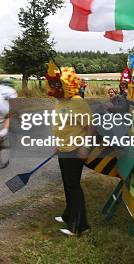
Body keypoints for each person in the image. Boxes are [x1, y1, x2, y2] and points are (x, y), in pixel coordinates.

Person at [52, 67, 92, 236]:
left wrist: (85, 146)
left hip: (74, 150)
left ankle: (80, 226)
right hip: (62, 148)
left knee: (73, 186)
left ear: (68, 85)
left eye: (59, 86)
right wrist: (56, 142)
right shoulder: (60, 101)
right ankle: (68, 215)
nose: (55, 90)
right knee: (67, 184)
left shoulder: (78, 102)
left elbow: (91, 126)